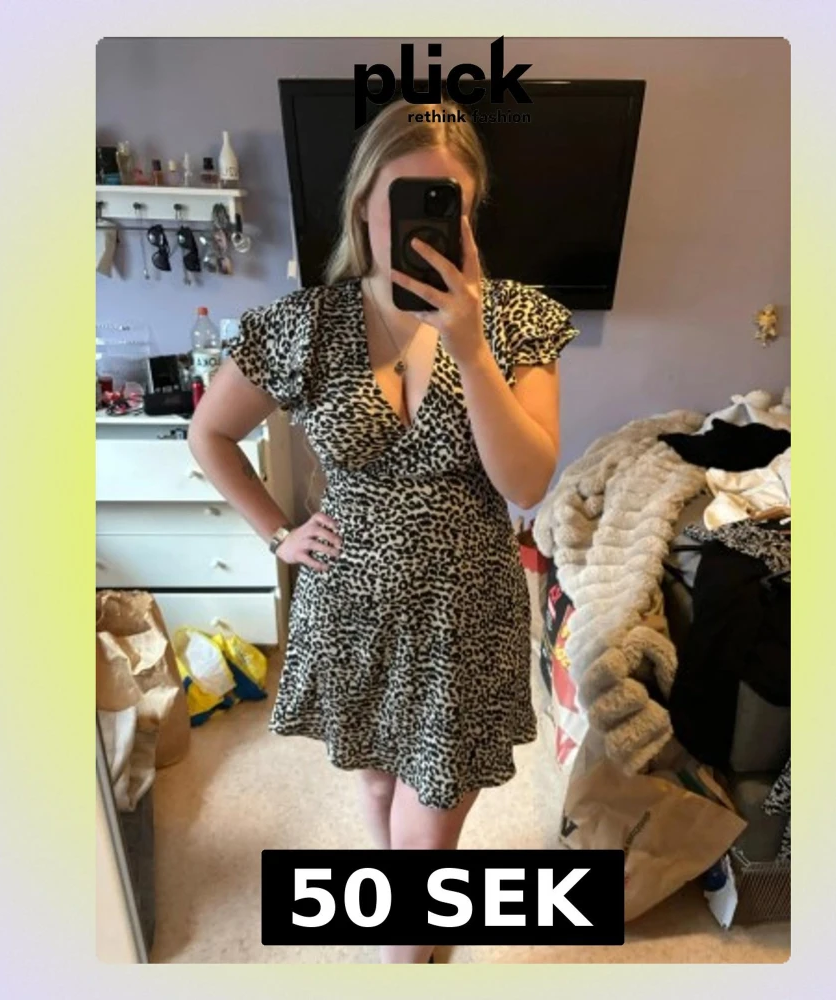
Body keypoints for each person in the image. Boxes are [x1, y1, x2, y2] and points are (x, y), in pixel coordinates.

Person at [188, 97, 580, 963]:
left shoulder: (518, 320)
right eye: (403, 199)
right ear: (364, 203)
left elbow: (526, 482)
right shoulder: (304, 325)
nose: (422, 224)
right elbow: (208, 434)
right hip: (350, 608)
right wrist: (277, 533)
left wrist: (470, 346)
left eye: (447, 203)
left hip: (464, 613)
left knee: (430, 815)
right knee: (374, 782)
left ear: (470, 214)